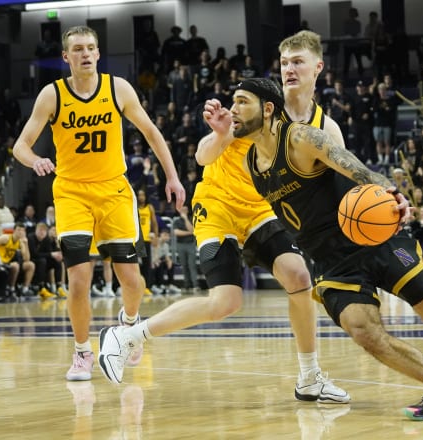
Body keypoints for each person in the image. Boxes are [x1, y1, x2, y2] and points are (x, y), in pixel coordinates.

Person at [191, 78, 423, 420]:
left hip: (371, 240)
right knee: (363, 330)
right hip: (332, 263)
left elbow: (355, 166)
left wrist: (393, 193)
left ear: (269, 108)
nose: (234, 110)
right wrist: (218, 134)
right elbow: (204, 157)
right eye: (233, 103)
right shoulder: (250, 163)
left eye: (242, 102)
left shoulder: (301, 138)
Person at [98, 30, 350, 404]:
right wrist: (219, 135)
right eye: (284, 63)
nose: (289, 69)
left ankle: (310, 377)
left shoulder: (324, 126)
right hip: (217, 204)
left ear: (318, 68)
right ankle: (128, 335)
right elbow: (202, 156)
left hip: (259, 209)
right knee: (225, 301)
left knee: (299, 276)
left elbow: (339, 185)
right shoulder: (257, 104)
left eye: (297, 62)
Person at [11, 25, 185, 381]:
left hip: (114, 191)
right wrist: (35, 161)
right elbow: (20, 146)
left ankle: (129, 330)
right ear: (66, 56)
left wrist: (172, 176)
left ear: (98, 53)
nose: (86, 53)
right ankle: (82, 353)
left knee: (133, 281)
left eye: (91, 47)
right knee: (78, 280)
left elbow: (151, 131)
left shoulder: (117, 88)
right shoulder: (52, 95)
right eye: (78, 49)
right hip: (72, 192)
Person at [173, 205, 199, 293]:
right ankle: (187, 285)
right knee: (184, 265)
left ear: (188, 210)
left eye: (185, 209)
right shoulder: (176, 221)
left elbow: (192, 229)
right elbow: (177, 232)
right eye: (182, 209)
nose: (184, 210)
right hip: (180, 245)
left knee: (192, 265)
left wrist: (185, 219)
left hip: (190, 244)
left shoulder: (191, 219)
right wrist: (189, 233)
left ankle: (195, 285)